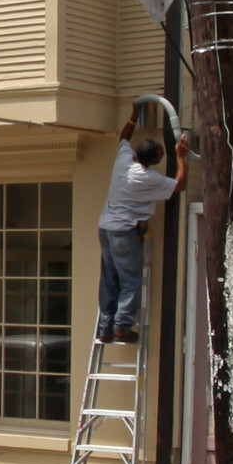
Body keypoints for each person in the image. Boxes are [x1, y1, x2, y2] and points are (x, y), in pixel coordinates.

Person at [96, 102, 190, 344]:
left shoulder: (124, 159)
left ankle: (105, 328)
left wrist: (133, 116)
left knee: (109, 277)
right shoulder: (148, 178)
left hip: (106, 227)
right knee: (130, 279)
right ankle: (122, 326)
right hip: (123, 233)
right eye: (161, 152)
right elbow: (180, 185)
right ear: (153, 160)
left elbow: (124, 136)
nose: (162, 153)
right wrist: (181, 157)